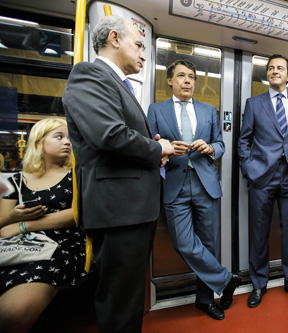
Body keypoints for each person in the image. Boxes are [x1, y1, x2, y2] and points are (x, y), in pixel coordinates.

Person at [62, 16, 174, 332]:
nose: (143, 54)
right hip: (118, 209)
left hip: (131, 208)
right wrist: (159, 149)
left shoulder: (117, 84)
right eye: (138, 45)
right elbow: (109, 135)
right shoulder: (89, 75)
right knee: (119, 300)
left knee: (128, 295)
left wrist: (151, 154)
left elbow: (118, 138)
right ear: (114, 38)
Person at [147, 59, 241, 320]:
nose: (187, 81)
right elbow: (149, 144)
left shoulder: (209, 110)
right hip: (174, 183)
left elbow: (220, 144)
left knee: (209, 245)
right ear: (170, 80)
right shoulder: (156, 110)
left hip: (205, 183)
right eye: (181, 76)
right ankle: (225, 279)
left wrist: (210, 149)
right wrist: (164, 147)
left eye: (191, 77)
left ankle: (205, 299)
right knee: (183, 242)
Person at [238, 54, 288, 308]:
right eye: (270, 68)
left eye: (280, 68)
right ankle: (259, 284)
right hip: (262, 175)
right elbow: (243, 140)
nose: (274, 71)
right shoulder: (254, 103)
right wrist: (248, 167)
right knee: (259, 232)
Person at [0, 118, 87, 332]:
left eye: (70, 138)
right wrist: (13, 216)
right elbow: (3, 225)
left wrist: (23, 225)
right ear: (38, 143)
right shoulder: (15, 182)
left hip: (62, 246)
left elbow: (76, 214)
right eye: (59, 136)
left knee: (12, 313)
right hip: (15, 247)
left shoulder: (75, 175)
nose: (67, 142)